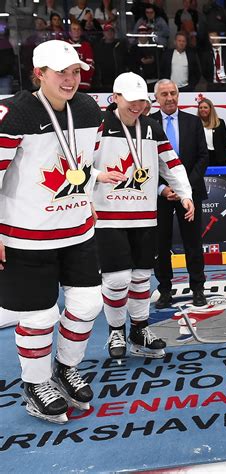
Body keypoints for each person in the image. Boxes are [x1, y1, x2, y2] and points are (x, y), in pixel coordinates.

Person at [0, 40, 123, 424]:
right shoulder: (16, 113)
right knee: (38, 316)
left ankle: (66, 366)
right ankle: (36, 383)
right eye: (61, 73)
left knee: (88, 305)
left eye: (75, 72)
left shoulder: (89, 110)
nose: (71, 80)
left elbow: (78, 165)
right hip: (26, 234)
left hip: (76, 229)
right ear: (40, 74)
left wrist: (97, 180)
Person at [93, 72, 194, 360]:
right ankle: (115, 330)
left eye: (141, 101)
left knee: (140, 277)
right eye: (131, 101)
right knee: (116, 279)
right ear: (115, 98)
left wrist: (185, 193)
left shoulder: (151, 128)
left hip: (144, 216)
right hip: (109, 217)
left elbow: (171, 164)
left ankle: (139, 328)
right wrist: (99, 176)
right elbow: (76, 163)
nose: (137, 107)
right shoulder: (99, 126)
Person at [153, 79, 209, 309]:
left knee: (193, 243)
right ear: (156, 98)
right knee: (160, 244)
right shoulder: (148, 124)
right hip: (159, 195)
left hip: (190, 195)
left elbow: (203, 157)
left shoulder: (193, 122)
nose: (169, 97)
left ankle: (198, 289)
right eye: (164, 94)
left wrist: (183, 187)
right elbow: (144, 164)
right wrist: (163, 188)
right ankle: (165, 291)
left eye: (173, 93)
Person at [197, 98, 226, 166]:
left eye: (205, 107)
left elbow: (225, 145)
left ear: (211, 109)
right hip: (202, 160)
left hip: (219, 159)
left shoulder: (220, 123)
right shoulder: (195, 123)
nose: (202, 110)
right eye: (200, 108)